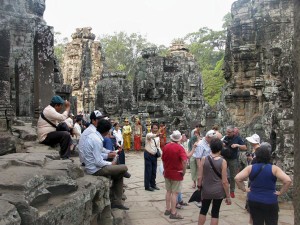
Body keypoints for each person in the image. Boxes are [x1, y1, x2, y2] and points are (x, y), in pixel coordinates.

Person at [79, 119, 129, 210]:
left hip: (92, 165)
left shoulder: (94, 136)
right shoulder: (97, 140)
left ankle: (117, 201)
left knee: (119, 173)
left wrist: (110, 153)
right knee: (124, 167)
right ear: (107, 131)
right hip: (95, 169)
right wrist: (111, 163)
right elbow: (98, 162)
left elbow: (99, 152)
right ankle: (123, 171)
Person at [235, 145, 292, 225]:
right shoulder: (274, 168)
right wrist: (280, 192)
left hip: (254, 199)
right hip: (270, 200)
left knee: (257, 222)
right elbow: (288, 180)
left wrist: (244, 189)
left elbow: (237, 178)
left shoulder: (250, 167)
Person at [198, 138, 231, 225]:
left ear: (210, 147)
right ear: (220, 148)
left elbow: (200, 176)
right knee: (215, 212)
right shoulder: (223, 161)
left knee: (203, 210)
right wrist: (228, 196)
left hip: (206, 189)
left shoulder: (204, 159)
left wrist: (199, 187)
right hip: (218, 191)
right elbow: (224, 181)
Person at [162, 130, 188, 220]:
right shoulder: (180, 148)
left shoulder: (166, 147)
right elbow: (185, 161)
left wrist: (165, 169)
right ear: (179, 139)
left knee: (168, 191)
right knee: (175, 193)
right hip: (177, 173)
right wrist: (183, 172)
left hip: (167, 171)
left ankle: (167, 209)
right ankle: (173, 212)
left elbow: (163, 159)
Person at [222, 125, 247, 198]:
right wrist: (223, 145)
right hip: (225, 158)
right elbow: (223, 145)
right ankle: (224, 192)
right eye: (227, 132)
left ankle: (232, 191)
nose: (228, 133)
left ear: (233, 132)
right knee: (224, 175)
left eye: (229, 132)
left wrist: (237, 145)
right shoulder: (226, 137)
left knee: (233, 176)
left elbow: (245, 147)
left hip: (233, 159)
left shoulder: (238, 138)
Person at [144, 122, 161, 191]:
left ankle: (153, 184)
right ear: (151, 128)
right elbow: (150, 136)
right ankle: (147, 186)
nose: (155, 129)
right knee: (148, 171)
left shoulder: (158, 138)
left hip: (154, 155)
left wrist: (161, 154)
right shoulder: (149, 135)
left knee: (154, 171)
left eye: (156, 128)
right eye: (154, 128)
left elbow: (158, 147)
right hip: (148, 154)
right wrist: (156, 135)